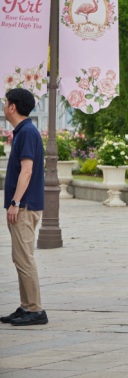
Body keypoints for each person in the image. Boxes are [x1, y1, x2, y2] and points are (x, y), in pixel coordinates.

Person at [2, 88, 48, 327]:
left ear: (13, 107)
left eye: (5, 102)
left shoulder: (27, 132)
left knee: (24, 258)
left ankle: (36, 310)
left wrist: (15, 202)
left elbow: (27, 171)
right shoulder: (22, 131)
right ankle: (26, 306)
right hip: (23, 205)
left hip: (25, 206)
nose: (4, 105)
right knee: (19, 257)